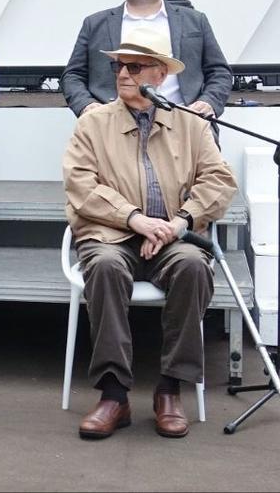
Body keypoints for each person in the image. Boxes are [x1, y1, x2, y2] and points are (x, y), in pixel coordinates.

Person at [63, 27, 236, 439]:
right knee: (103, 267)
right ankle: (113, 394)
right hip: (112, 235)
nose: (123, 73)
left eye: (135, 65)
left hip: (173, 237)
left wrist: (181, 222)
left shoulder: (191, 124)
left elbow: (219, 181)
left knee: (194, 265)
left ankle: (170, 388)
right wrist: (134, 219)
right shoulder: (93, 123)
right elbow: (81, 186)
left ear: (159, 75)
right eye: (118, 65)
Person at [61, 0, 233, 118]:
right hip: (113, 125)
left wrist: (209, 102)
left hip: (185, 121)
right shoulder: (95, 24)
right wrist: (87, 105)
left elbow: (219, 72)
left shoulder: (195, 20)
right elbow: (72, 76)